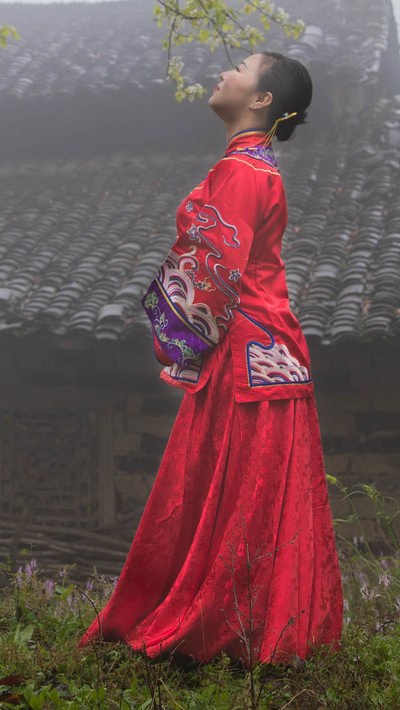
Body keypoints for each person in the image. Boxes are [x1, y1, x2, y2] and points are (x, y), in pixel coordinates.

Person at [80, 50, 343, 665]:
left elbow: (215, 267)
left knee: (235, 488)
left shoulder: (242, 170)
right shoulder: (256, 166)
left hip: (244, 348)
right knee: (255, 490)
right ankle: (265, 622)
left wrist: (179, 339)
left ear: (260, 101)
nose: (225, 72)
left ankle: (222, 620)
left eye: (242, 68)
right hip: (270, 348)